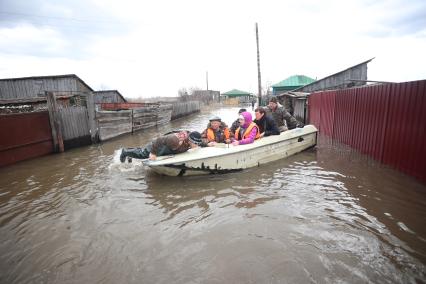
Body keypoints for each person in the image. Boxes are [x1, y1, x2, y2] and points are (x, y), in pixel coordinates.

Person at [119, 131, 202, 162]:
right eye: (196, 143)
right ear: (190, 141)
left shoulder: (191, 141)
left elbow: (200, 142)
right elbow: (158, 140)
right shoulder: (175, 140)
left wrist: (208, 144)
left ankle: (131, 155)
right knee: (143, 155)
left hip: (168, 149)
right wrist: (153, 153)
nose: (197, 145)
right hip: (158, 146)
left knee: (142, 152)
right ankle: (125, 152)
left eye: (198, 143)